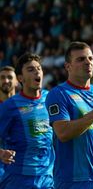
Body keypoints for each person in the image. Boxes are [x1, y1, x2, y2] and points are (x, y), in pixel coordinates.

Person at [46, 42, 93, 189]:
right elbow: (63, 133)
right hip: (72, 181)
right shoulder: (58, 94)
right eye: (80, 59)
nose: (87, 62)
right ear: (67, 66)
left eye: (90, 58)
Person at [0, 53, 54, 188]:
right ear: (20, 78)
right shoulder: (10, 106)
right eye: (30, 69)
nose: (37, 71)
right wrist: (1, 153)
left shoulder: (51, 98)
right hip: (19, 179)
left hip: (47, 177)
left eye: (39, 68)